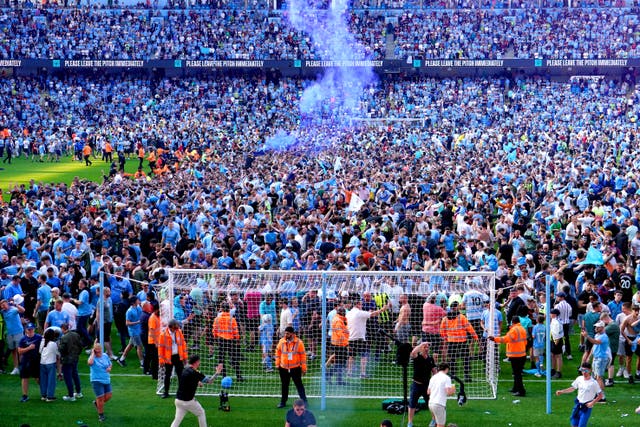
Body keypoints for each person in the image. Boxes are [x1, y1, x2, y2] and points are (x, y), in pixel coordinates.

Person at [170, 355, 223, 427]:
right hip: (188, 401)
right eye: (199, 361)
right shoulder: (196, 373)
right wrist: (217, 372)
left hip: (178, 400)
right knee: (201, 413)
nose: (199, 363)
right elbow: (210, 381)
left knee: (177, 420)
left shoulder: (185, 369)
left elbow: (188, 380)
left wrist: (197, 382)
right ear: (196, 362)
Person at [489, 316, 528, 397]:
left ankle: (521, 391)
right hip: (522, 354)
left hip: (516, 355)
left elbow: (506, 339)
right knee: (517, 373)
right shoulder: (522, 329)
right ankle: (515, 388)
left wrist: (495, 339)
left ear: (512, 322)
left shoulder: (514, 330)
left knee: (517, 374)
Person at [555, 362, 603, 427]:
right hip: (578, 405)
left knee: (581, 425)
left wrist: (592, 403)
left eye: (585, 370)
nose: (584, 372)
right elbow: (572, 388)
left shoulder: (593, 383)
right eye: (582, 370)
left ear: (590, 370)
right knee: (574, 423)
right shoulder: (579, 379)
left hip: (586, 407)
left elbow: (600, 395)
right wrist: (562, 391)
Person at [276, 326, 308, 408]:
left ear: (293, 334)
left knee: (299, 385)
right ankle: (283, 402)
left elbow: (303, 356)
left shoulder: (299, 343)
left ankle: (304, 401)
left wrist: (304, 368)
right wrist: (277, 363)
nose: (286, 335)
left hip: (295, 368)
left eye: (288, 333)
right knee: (284, 385)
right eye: (285, 333)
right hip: (283, 368)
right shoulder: (281, 341)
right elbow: (278, 353)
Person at [407, 341, 437, 427]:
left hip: (427, 385)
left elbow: (434, 371)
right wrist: (421, 344)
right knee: (412, 404)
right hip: (416, 384)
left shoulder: (430, 359)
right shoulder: (417, 357)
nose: (426, 349)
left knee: (431, 403)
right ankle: (410, 422)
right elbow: (412, 352)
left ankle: (434, 420)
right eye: (425, 347)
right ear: (421, 348)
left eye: (427, 347)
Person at [212, 301, 244, 382]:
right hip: (230, 341)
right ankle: (239, 376)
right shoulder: (232, 319)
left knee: (221, 360)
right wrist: (237, 339)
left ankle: (224, 376)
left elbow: (214, 330)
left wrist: (216, 337)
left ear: (221, 309)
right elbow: (235, 330)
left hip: (220, 341)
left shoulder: (217, 319)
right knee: (234, 358)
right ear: (229, 309)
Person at [159, 319, 189, 399]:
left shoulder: (178, 332)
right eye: (175, 328)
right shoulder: (163, 335)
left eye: (177, 328)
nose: (177, 329)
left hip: (178, 357)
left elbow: (183, 344)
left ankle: (181, 392)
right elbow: (161, 349)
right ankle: (166, 392)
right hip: (168, 358)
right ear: (170, 327)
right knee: (167, 375)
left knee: (180, 375)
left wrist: (185, 357)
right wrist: (161, 360)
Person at [582, 321, 609, 403]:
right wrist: (590, 356)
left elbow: (595, 342)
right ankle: (596, 395)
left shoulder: (604, 336)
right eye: (595, 327)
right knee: (594, 377)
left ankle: (602, 396)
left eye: (597, 327)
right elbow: (594, 346)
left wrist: (587, 336)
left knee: (599, 377)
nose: (595, 328)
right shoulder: (597, 335)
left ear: (602, 328)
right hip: (596, 358)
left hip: (601, 359)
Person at [58, 323, 84, 402]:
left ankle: (71, 395)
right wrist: (77, 354)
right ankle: (79, 392)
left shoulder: (63, 338)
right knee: (75, 375)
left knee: (68, 377)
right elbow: (80, 345)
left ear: (63, 328)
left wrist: (59, 346)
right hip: (75, 358)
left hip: (67, 360)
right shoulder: (76, 335)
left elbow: (62, 350)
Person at [17, 323, 42, 402]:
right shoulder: (23, 339)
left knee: (38, 378)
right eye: (29, 329)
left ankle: (44, 392)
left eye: (31, 329)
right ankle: (24, 395)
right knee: (25, 378)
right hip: (26, 361)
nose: (30, 331)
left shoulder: (39, 337)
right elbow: (19, 351)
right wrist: (29, 348)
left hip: (36, 360)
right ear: (26, 330)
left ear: (34, 329)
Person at [88, 343, 112, 423]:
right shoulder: (92, 357)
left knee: (109, 396)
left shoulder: (105, 355)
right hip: (96, 380)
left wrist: (109, 368)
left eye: (99, 351)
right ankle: (101, 415)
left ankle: (97, 403)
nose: (98, 353)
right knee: (100, 398)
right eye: (96, 351)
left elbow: (110, 364)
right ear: (94, 351)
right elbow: (90, 363)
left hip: (106, 379)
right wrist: (92, 354)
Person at [117, 296, 143, 368]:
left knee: (130, 345)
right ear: (134, 302)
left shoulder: (138, 308)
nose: (139, 300)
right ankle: (142, 363)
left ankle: (121, 359)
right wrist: (137, 322)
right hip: (134, 331)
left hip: (138, 330)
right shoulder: (129, 311)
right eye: (138, 300)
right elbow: (127, 323)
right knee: (139, 346)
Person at [1, 298, 25, 375]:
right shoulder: (2, 312)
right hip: (9, 333)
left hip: (18, 332)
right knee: (13, 350)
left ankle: (22, 367)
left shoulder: (14, 309)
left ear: (7, 304)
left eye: (4, 305)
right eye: (1, 305)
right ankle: (16, 368)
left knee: (20, 350)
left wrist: (16, 304)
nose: (2, 306)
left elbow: (23, 310)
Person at [427, 362, 456, 427]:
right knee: (440, 425)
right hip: (439, 404)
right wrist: (453, 391)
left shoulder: (433, 377)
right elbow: (448, 392)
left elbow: (428, 392)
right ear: (447, 369)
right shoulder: (446, 378)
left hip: (431, 403)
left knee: (437, 423)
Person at [39, 328, 59, 402]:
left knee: (43, 380)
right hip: (51, 363)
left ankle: (43, 395)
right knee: (51, 380)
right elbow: (57, 353)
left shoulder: (42, 342)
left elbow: (40, 351)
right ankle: (50, 396)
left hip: (42, 363)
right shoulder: (53, 344)